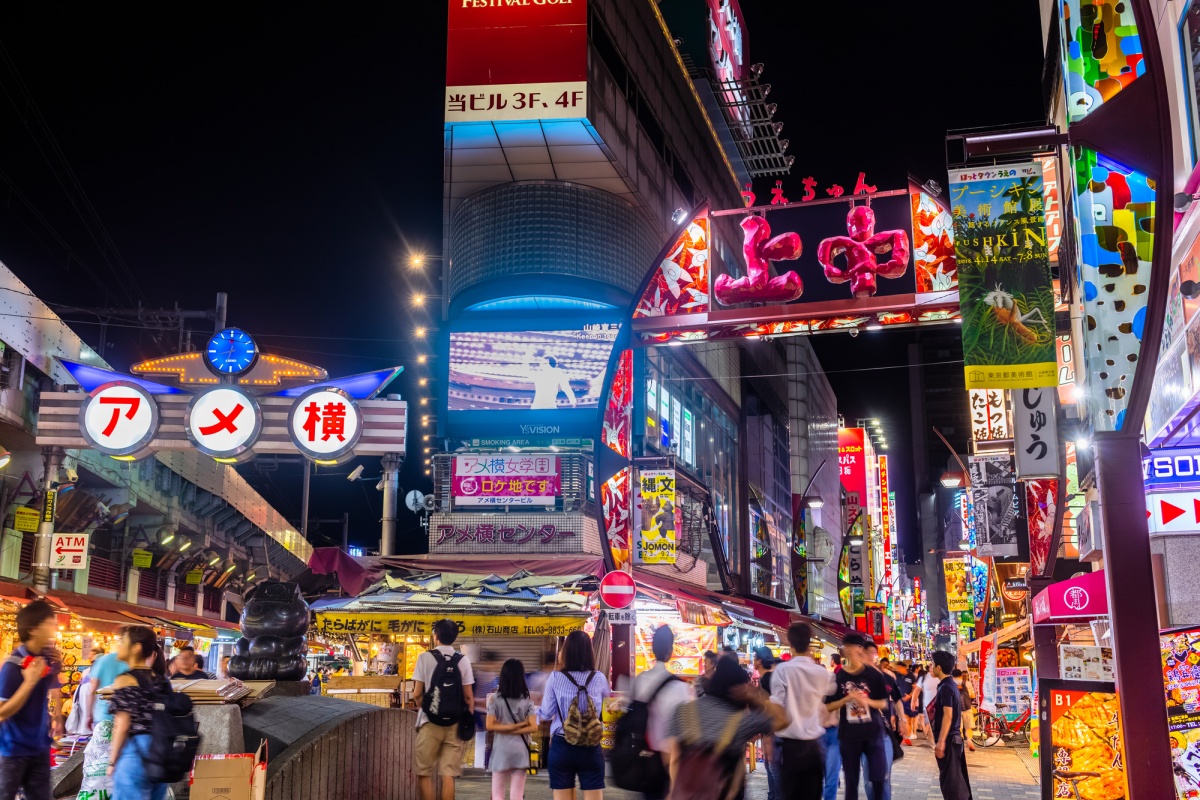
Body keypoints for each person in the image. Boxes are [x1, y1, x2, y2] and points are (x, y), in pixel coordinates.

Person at [665, 657, 787, 800]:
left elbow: (674, 760)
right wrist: (756, 697)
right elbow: (782, 721)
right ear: (739, 692)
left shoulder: (683, 711)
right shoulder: (741, 722)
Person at [538, 629, 611, 800]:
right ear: (589, 653)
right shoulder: (599, 678)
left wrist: (532, 710)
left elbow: (547, 714)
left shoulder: (555, 678)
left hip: (562, 746)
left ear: (567, 652)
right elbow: (608, 710)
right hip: (591, 746)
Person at [0, 600, 62, 800]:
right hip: (13, 749)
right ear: (35, 629)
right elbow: (1, 712)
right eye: (50, 621)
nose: (54, 625)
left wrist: (57, 668)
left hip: (39, 745)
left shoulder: (44, 658)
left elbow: (46, 690)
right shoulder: (13, 665)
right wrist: (28, 683)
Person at [769, 623, 834, 800]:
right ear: (809, 642)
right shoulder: (822, 673)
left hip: (788, 745)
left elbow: (776, 706)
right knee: (813, 794)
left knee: (789, 794)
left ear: (789, 642)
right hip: (815, 745)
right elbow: (828, 698)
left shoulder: (782, 670)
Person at [413, 619, 475, 800]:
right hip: (455, 723)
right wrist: (467, 720)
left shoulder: (424, 657)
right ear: (455, 637)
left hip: (428, 722)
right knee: (448, 774)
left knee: (424, 772)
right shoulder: (463, 660)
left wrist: (426, 708)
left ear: (436, 636)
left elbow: (417, 693)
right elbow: (468, 697)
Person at [107, 625, 170, 800]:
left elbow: (122, 725)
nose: (119, 646)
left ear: (136, 648)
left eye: (122, 642)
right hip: (161, 754)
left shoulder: (125, 680)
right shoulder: (162, 681)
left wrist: (112, 761)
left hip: (135, 755)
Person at [824, 633, 890, 800]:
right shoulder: (839, 677)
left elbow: (883, 703)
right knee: (851, 783)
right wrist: (846, 699)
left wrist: (866, 701)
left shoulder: (874, 676)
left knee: (878, 780)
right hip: (849, 736)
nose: (846, 650)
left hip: (873, 734)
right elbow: (828, 706)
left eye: (849, 647)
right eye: (844, 647)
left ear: (859, 649)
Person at [630, 626, 692, 800]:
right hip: (671, 762)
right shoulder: (680, 687)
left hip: (644, 758)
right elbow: (685, 730)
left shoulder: (640, 679)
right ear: (670, 651)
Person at [80, 630, 131, 800]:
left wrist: (88, 715)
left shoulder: (103, 660)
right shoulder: (131, 664)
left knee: (99, 763)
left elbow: (92, 689)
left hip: (103, 719)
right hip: (123, 722)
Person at [486, 659, 537, 800]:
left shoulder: (494, 699)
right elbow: (533, 727)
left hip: (501, 750)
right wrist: (519, 726)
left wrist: (505, 728)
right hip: (521, 750)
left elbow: (489, 726)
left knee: (497, 793)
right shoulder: (527, 699)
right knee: (517, 794)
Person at [931, 652, 973, 800]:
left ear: (938, 667)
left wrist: (941, 741)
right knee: (955, 781)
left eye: (932, 664)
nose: (930, 667)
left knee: (951, 784)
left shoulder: (945, 688)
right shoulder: (950, 685)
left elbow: (948, 716)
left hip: (950, 740)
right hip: (954, 739)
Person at [861, 642, 898, 800]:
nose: (871, 656)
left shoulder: (885, 677)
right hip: (862, 734)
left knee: (884, 777)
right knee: (869, 780)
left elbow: (896, 699)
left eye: (873, 653)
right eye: (867, 653)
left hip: (883, 733)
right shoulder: (855, 678)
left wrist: (901, 718)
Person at [752, 647, 781, 800]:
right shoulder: (768, 678)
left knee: (774, 768)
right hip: (770, 731)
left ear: (760, 661)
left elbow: (774, 707)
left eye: (755, 658)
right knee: (770, 767)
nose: (754, 660)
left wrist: (769, 733)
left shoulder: (768, 679)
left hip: (774, 731)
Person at [952, 670, 977, 752]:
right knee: (968, 727)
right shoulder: (967, 683)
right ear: (961, 675)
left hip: (956, 709)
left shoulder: (951, 684)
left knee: (959, 728)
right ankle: (969, 740)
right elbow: (972, 695)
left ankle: (960, 743)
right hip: (967, 707)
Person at [893, 661, 917, 745]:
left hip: (909, 700)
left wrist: (910, 696)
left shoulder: (911, 676)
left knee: (909, 720)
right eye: (897, 668)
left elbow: (915, 687)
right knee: (904, 718)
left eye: (899, 667)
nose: (898, 669)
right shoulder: (896, 676)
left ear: (904, 667)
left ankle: (907, 735)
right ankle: (905, 737)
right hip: (900, 701)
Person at [919, 664, 940, 746]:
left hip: (939, 704)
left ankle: (936, 741)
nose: (932, 671)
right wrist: (913, 701)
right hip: (928, 705)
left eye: (933, 669)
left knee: (937, 724)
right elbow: (917, 690)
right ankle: (933, 743)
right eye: (931, 670)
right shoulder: (924, 678)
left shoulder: (940, 678)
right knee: (931, 725)